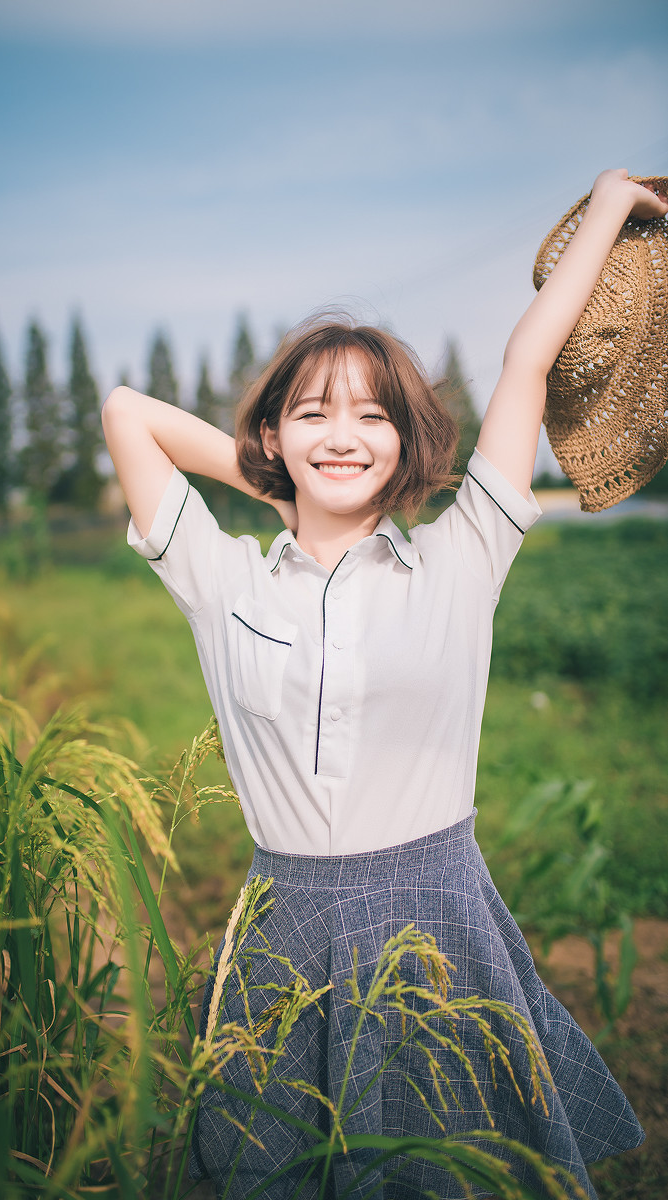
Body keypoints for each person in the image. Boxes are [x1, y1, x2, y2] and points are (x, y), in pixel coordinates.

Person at [102, 169, 666, 1199]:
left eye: (372, 416)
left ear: (407, 440)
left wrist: (610, 203)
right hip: (283, 926)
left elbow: (527, 362)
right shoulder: (220, 577)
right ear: (271, 436)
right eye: (313, 414)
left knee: (448, 1173)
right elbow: (128, 413)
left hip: (435, 917)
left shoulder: (462, 557)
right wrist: (283, 484)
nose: (344, 433)